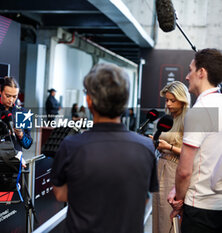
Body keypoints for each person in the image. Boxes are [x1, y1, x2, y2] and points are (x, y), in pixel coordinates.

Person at [51, 63, 158, 233]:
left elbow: (60, 194)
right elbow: (144, 198)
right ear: (125, 100)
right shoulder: (146, 147)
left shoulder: (71, 146)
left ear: (89, 100)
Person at [168, 49, 222, 233]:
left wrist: (178, 201)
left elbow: (184, 171)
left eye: (190, 70)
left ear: (202, 72)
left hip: (200, 208)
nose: (187, 76)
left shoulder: (202, 109)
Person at [151, 81, 190, 233]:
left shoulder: (188, 120)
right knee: (158, 213)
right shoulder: (166, 119)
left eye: (172, 100)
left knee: (168, 216)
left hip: (174, 170)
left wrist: (169, 147)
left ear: (182, 100)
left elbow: (193, 153)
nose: (168, 104)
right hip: (160, 167)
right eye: (166, 100)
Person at [0, 77, 33, 152]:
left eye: (14, 96)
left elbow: (28, 145)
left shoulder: (23, 113)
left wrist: (20, 134)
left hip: (14, 159)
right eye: (8, 96)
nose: (11, 100)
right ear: (0, 91)